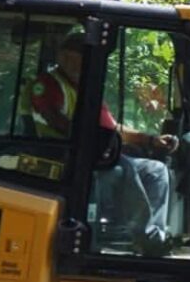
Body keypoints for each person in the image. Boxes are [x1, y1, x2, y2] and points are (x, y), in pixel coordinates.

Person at [28, 34, 177, 249]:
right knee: (124, 166)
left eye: (77, 58)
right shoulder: (48, 84)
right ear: (60, 56)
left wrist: (150, 140)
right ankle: (148, 238)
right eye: (68, 57)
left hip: (91, 153)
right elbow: (55, 120)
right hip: (61, 154)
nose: (73, 63)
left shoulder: (84, 89)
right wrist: (100, 138)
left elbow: (112, 127)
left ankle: (152, 236)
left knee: (156, 170)